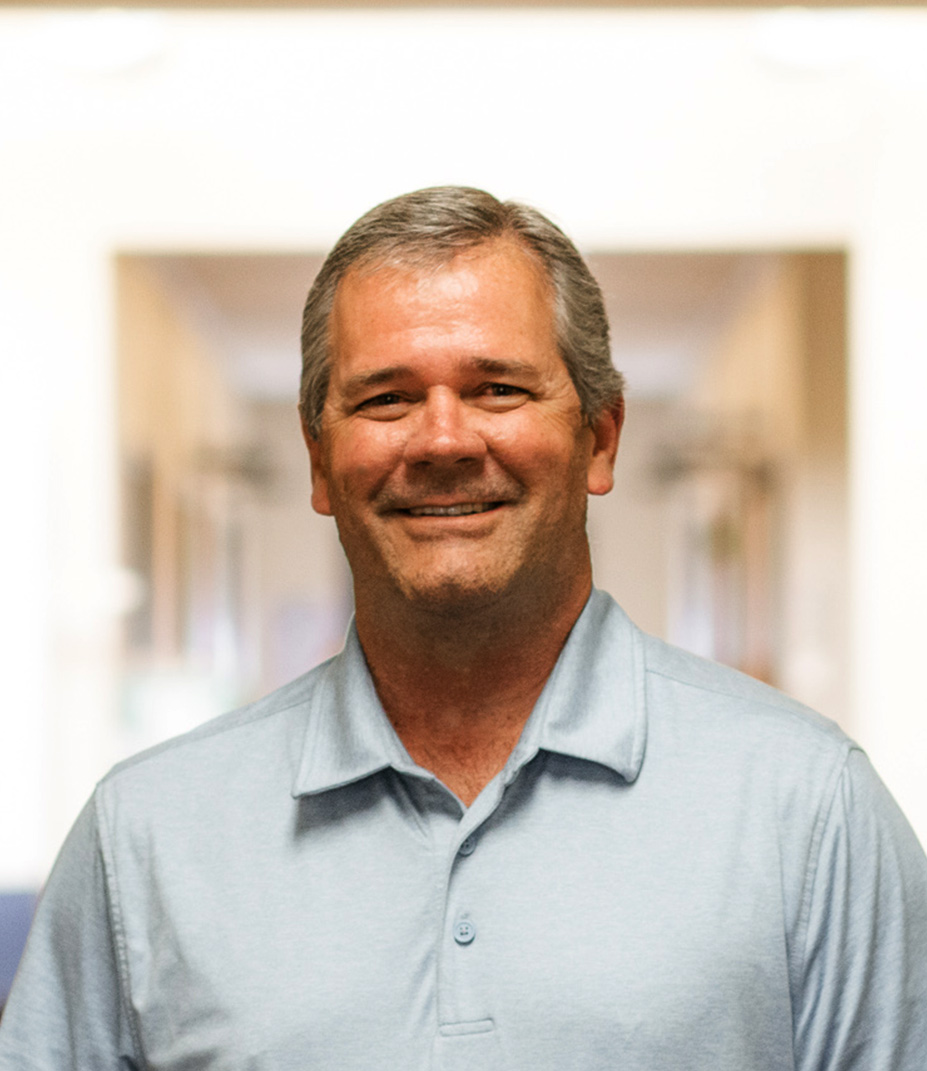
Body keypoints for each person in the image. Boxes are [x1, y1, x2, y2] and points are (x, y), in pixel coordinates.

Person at [1, 186, 925, 1069]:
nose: (443, 441)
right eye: (385, 398)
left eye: (496, 389)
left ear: (599, 438)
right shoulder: (144, 836)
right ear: (318, 459)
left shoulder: (810, 810)